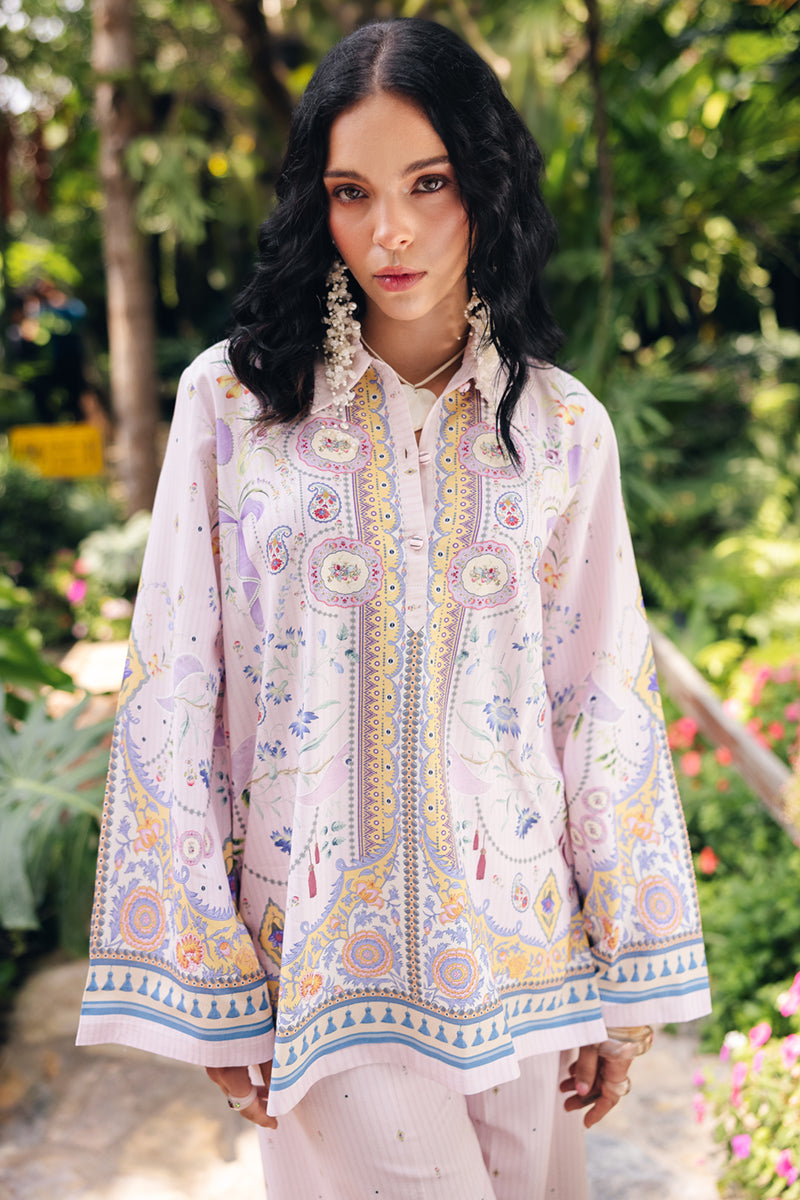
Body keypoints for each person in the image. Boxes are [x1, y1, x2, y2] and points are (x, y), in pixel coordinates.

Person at [77, 18, 711, 1199]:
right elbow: (174, 691)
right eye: (351, 192)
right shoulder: (233, 407)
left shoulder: (563, 429)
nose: (391, 231)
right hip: (325, 974)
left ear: (485, 184)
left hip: (527, 969)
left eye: (429, 183)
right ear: (314, 205)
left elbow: (597, 707)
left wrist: (621, 984)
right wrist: (212, 983)